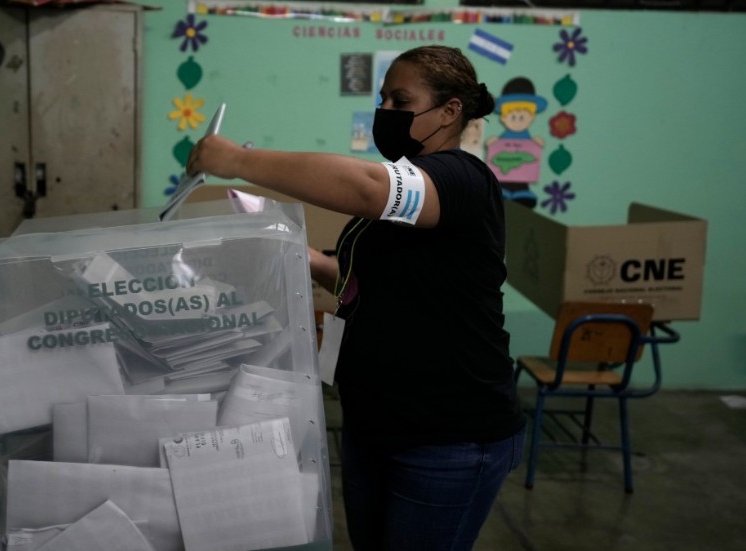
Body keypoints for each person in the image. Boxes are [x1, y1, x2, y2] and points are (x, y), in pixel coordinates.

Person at [187, 45, 526, 551]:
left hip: (447, 435)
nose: (386, 110)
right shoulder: (407, 192)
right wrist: (300, 255)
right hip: (374, 423)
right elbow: (367, 281)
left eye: (401, 99)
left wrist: (238, 160)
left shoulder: (462, 178)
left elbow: (368, 188)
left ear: (451, 111)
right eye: (384, 97)